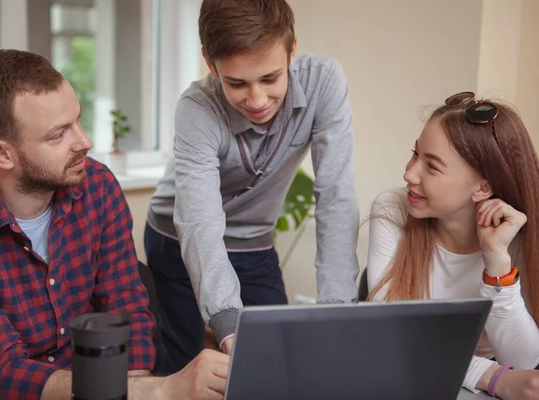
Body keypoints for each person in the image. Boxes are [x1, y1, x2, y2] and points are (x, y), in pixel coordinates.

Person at [0, 49, 229, 400]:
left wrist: (133, 388)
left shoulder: (97, 186)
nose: (85, 142)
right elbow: (0, 376)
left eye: (77, 120)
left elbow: (125, 304)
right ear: (1, 153)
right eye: (58, 135)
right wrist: (158, 391)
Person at [145, 0, 359, 375]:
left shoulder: (324, 82)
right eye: (236, 83)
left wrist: (337, 309)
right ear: (211, 65)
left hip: (254, 242)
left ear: (292, 49)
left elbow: (336, 197)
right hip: (177, 241)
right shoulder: (197, 108)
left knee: (276, 358)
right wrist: (226, 325)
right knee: (187, 365)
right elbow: (200, 222)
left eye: (270, 78)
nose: (257, 100)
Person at [367, 91, 539, 399]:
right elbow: (387, 335)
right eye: (415, 154)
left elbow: (524, 361)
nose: (409, 173)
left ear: (482, 187)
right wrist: (491, 377)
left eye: (431, 166)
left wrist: (496, 262)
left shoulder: (516, 235)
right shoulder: (392, 210)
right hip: (412, 376)